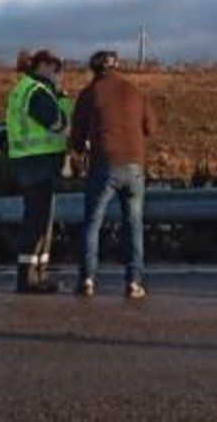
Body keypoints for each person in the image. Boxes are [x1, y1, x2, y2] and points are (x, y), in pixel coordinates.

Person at [70, 49, 156, 299]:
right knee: (134, 225)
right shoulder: (135, 91)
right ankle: (134, 282)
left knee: (93, 224)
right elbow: (150, 127)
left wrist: (83, 146)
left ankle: (87, 280)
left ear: (94, 69)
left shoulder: (89, 94)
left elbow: (77, 137)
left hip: (104, 164)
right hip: (134, 165)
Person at [4, 49, 71, 294]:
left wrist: (59, 95)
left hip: (30, 162)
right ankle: (29, 278)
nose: (58, 75)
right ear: (44, 66)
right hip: (39, 163)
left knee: (40, 221)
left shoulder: (24, 88)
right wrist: (62, 97)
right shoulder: (37, 92)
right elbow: (58, 124)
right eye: (56, 70)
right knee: (37, 223)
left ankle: (38, 274)